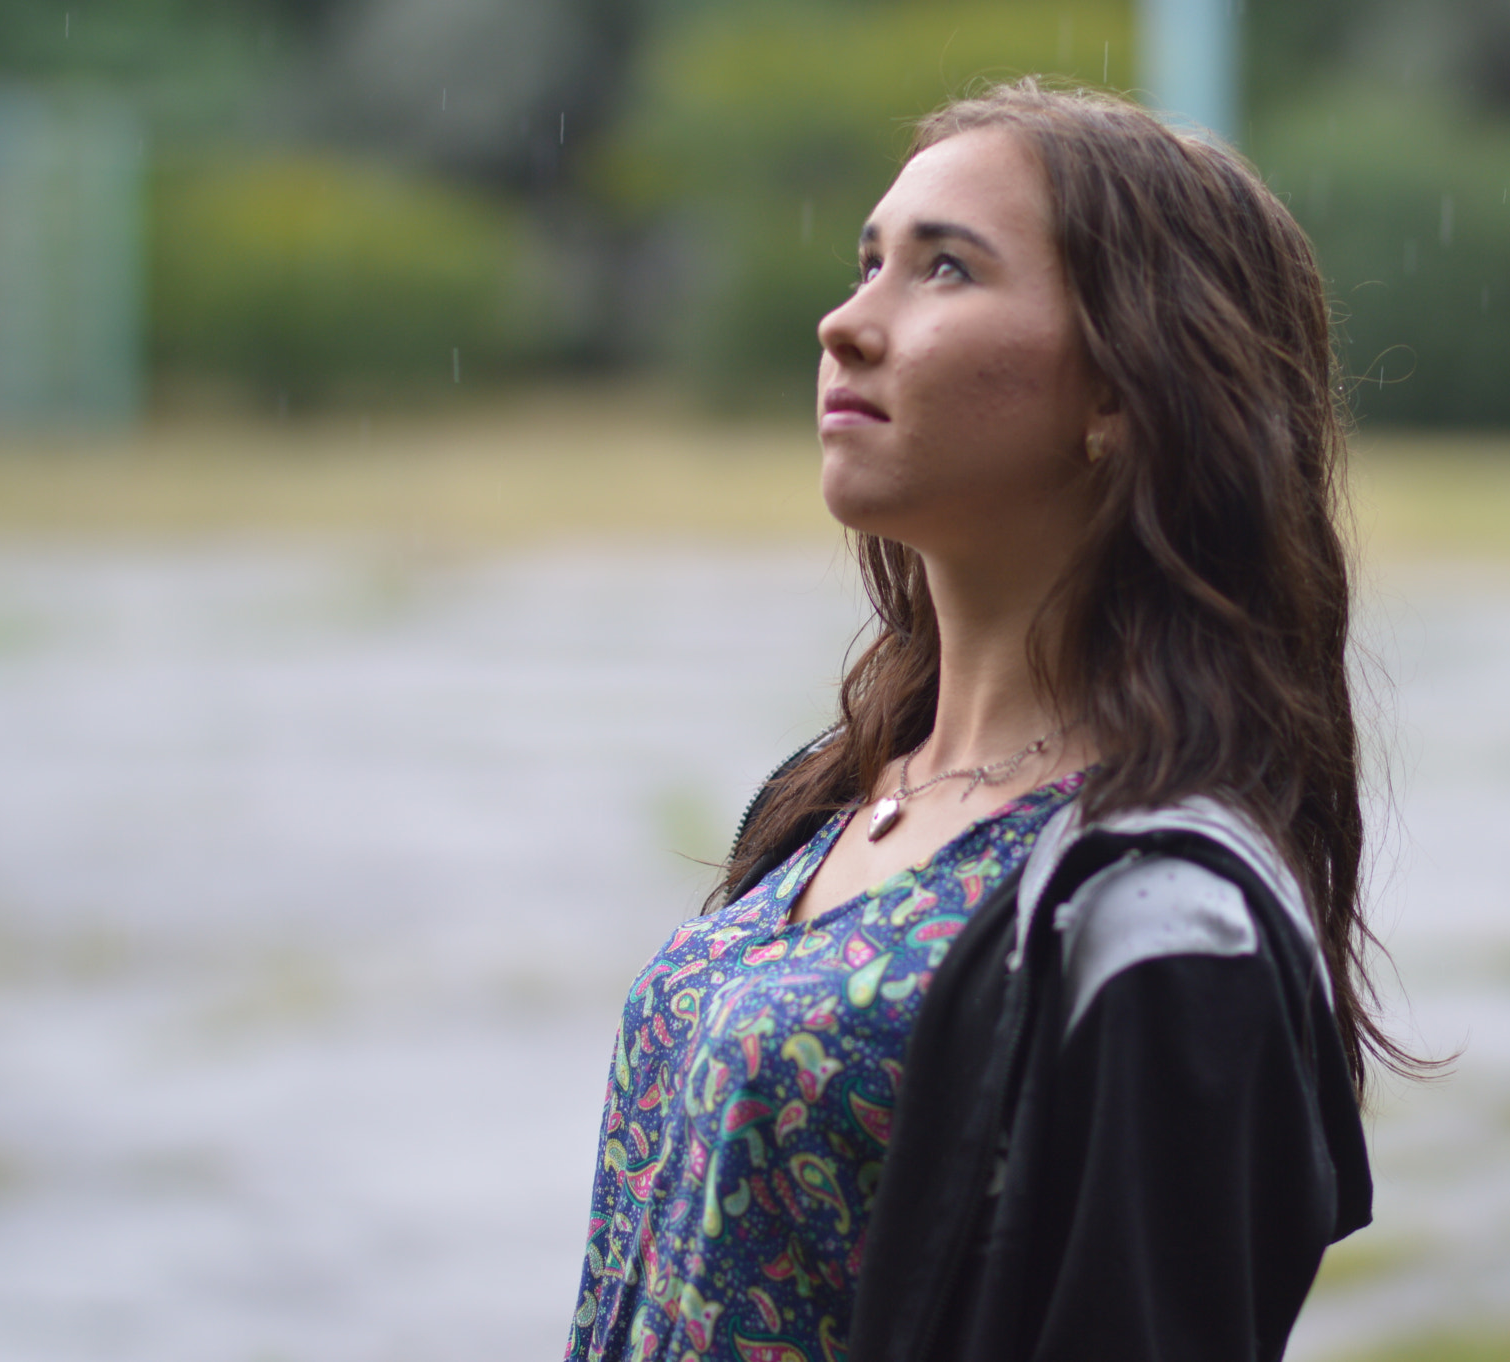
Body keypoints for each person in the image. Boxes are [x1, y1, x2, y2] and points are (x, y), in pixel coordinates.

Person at [565, 78, 1410, 1362]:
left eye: (945, 270)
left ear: (1123, 392)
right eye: (868, 263)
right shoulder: (826, 798)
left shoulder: (1164, 923)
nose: (846, 324)